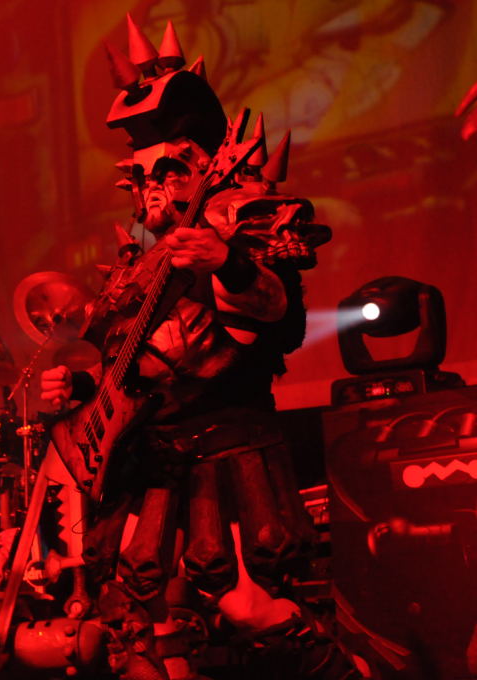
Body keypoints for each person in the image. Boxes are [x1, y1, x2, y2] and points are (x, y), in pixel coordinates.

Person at [39, 19, 352, 680]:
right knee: (145, 622)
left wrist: (227, 265)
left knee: (247, 606)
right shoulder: (137, 267)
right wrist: (74, 391)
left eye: (168, 168)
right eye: (140, 173)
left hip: (224, 450)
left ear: (205, 164)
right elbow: (120, 372)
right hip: (150, 461)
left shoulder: (237, 221)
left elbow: (277, 319)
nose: (152, 185)